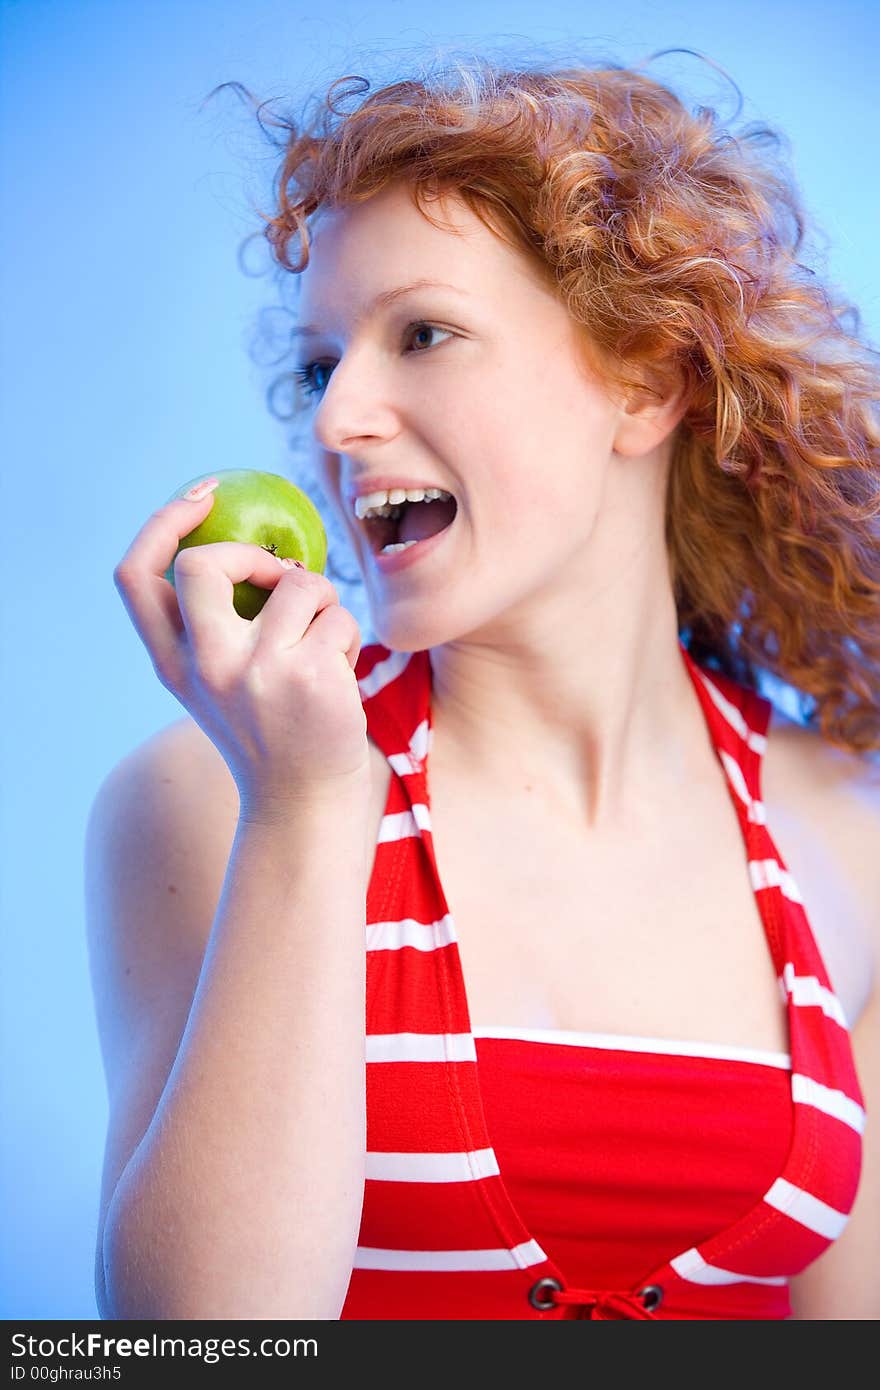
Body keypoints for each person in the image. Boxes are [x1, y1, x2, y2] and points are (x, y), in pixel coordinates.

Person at [86, 51, 880, 1321]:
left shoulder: (845, 834)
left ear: (648, 382)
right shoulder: (209, 798)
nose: (336, 418)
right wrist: (303, 813)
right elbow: (201, 1344)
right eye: (319, 365)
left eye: (423, 333)